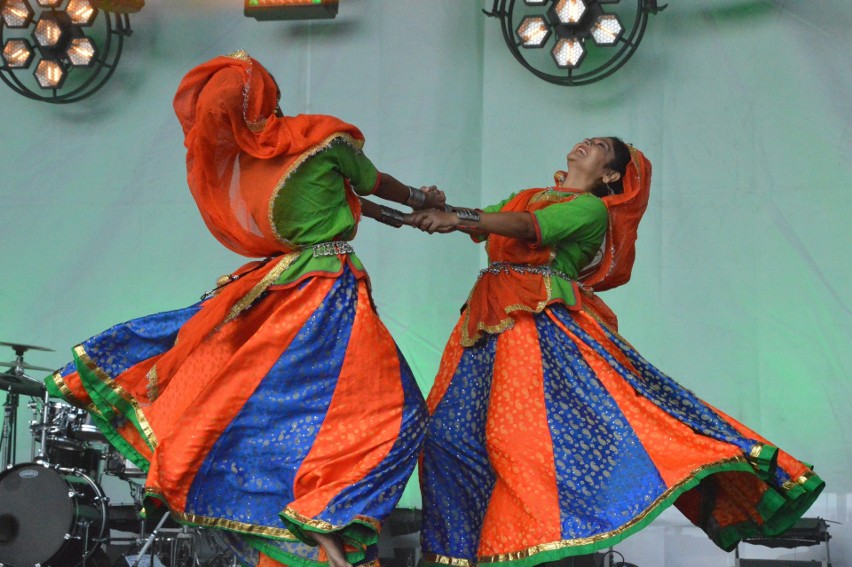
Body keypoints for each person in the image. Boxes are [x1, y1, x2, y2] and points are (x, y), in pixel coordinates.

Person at [45, 51, 441, 567]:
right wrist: (423, 197)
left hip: (277, 288)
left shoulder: (251, 170)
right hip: (324, 294)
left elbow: (345, 202)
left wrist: (413, 219)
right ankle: (324, 518)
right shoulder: (322, 138)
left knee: (274, 414)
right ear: (267, 96)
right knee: (396, 411)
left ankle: (323, 533)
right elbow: (369, 185)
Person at [409, 138, 824, 566]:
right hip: (485, 323)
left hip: (538, 329)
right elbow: (488, 220)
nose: (588, 141)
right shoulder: (530, 193)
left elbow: (526, 226)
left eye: (602, 146)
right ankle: (457, 551)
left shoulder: (590, 209)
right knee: (446, 439)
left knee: (517, 441)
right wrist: (432, 207)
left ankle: (518, 545)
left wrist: (454, 218)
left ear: (610, 176)